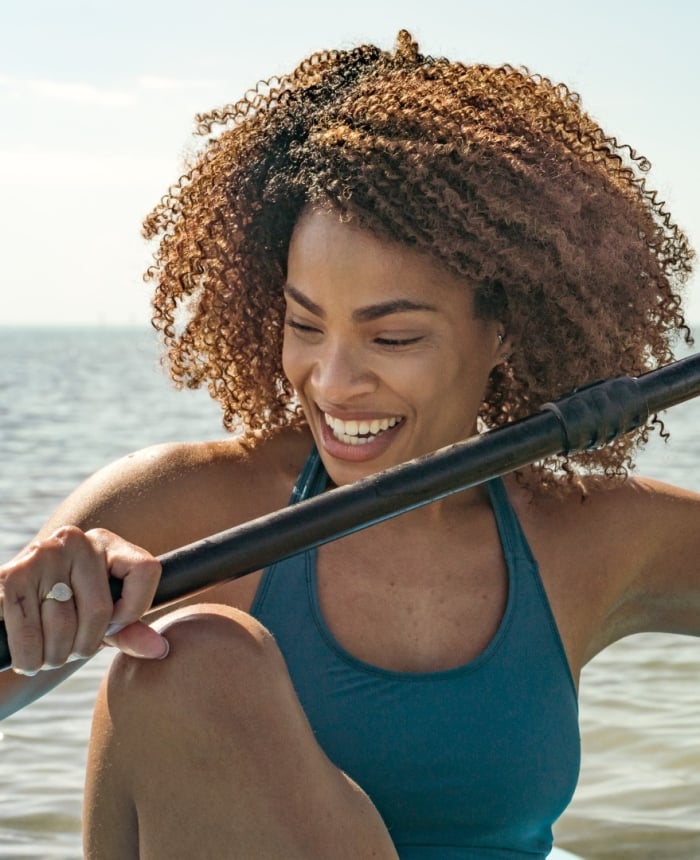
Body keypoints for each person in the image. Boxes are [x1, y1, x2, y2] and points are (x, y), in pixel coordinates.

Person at [0, 28, 697, 860]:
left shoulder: (591, 536)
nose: (332, 383)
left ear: (505, 331)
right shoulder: (178, 508)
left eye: (392, 338)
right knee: (197, 658)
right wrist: (36, 602)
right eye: (304, 324)